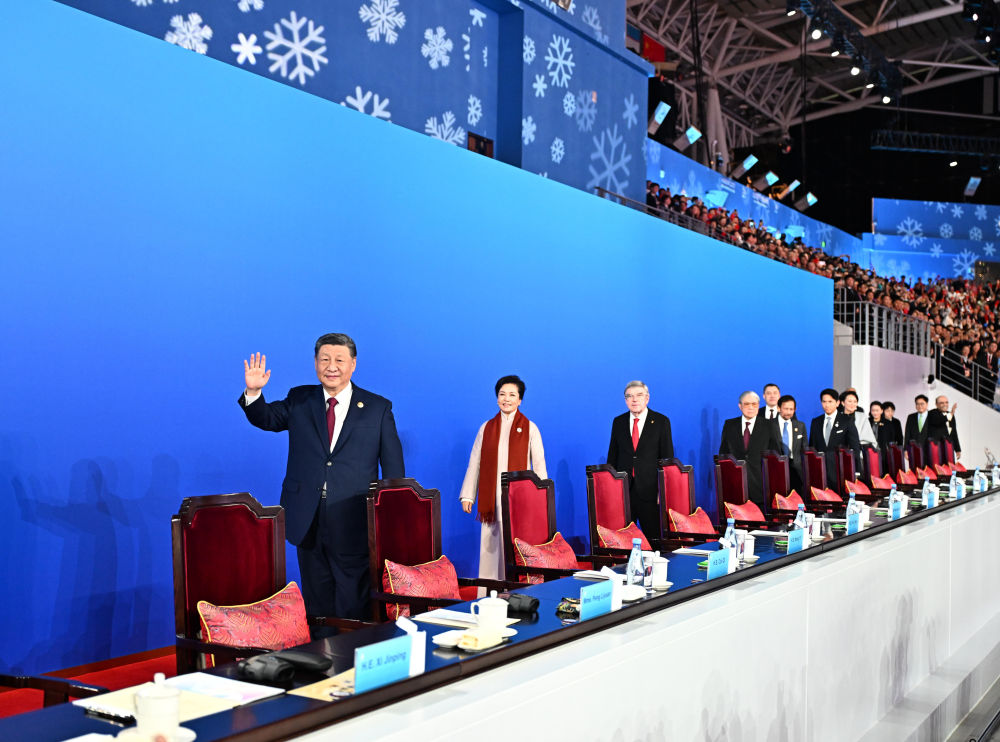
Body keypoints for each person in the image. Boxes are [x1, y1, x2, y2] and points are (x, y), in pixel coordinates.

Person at [240, 333, 405, 626]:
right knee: (316, 598)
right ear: (316, 363)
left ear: (353, 364)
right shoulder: (300, 399)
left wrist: (389, 520)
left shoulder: (378, 408)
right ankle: (321, 653)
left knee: (353, 597)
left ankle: (352, 650)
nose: (332, 366)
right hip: (308, 515)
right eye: (324, 359)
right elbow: (267, 418)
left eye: (339, 360)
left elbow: (393, 471)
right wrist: (253, 393)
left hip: (354, 517)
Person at [460, 376, 546, 581]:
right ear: (497, 397)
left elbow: (539, 465)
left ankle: (516, 589)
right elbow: (475, 462)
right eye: (502, 394)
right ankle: (490, 588)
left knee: (516, 543)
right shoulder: (486, 428)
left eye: (512, 395)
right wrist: (468, 495)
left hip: (519, 498)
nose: (506, 399)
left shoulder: (530, 428)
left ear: (520, 400)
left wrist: (541, 498)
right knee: (491, 543)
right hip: (492, 496)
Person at [606, 381, 675, 537]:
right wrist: (612, 490)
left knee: (654, 538)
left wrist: (662, 490)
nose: (634, 399)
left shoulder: (661, 421)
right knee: (623, 538)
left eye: (639, 395)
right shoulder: (618, 422)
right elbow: (613, 456)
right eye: (629, 396)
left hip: (650, 491)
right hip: (624, 491)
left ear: (647, 398)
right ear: (625, 400)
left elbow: (667, 459)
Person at [718, 391, 781, 512]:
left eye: (754, 404)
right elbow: (723, 455)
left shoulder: (769, 425)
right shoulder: (729, 425)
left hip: (760, 486)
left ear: (758, 405)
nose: (751, 407)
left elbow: (775, 456)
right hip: (735, 486)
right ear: (740, 406)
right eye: (746, 404)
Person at [808, 388, 862, 492]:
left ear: (837, 403)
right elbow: (812, 447)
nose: (827, 405)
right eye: (824, 402)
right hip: (820, 472)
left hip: (840, 471)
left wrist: (857, 471)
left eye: (830, 401)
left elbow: (855, 447)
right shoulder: (816, 422)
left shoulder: (846, 421)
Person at [776, 394, 808, 495]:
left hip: (797, 471)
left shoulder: (800, 425)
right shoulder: (769, 425)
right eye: (786, 409)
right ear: (778, 408)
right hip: (776, 469)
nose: (789, 412)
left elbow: (805, 448)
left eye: (791, 409)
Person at [927, 394, 961, 463]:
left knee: (950, 467)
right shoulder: (932, 413)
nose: (945, 404)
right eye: (942, 403)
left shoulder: (951, 415)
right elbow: (938, 421)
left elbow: (954, 432)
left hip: (949, 449)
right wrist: (951, 414)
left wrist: (957, 449)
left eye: (946, 402)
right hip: (936, 449)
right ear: (936, 404)